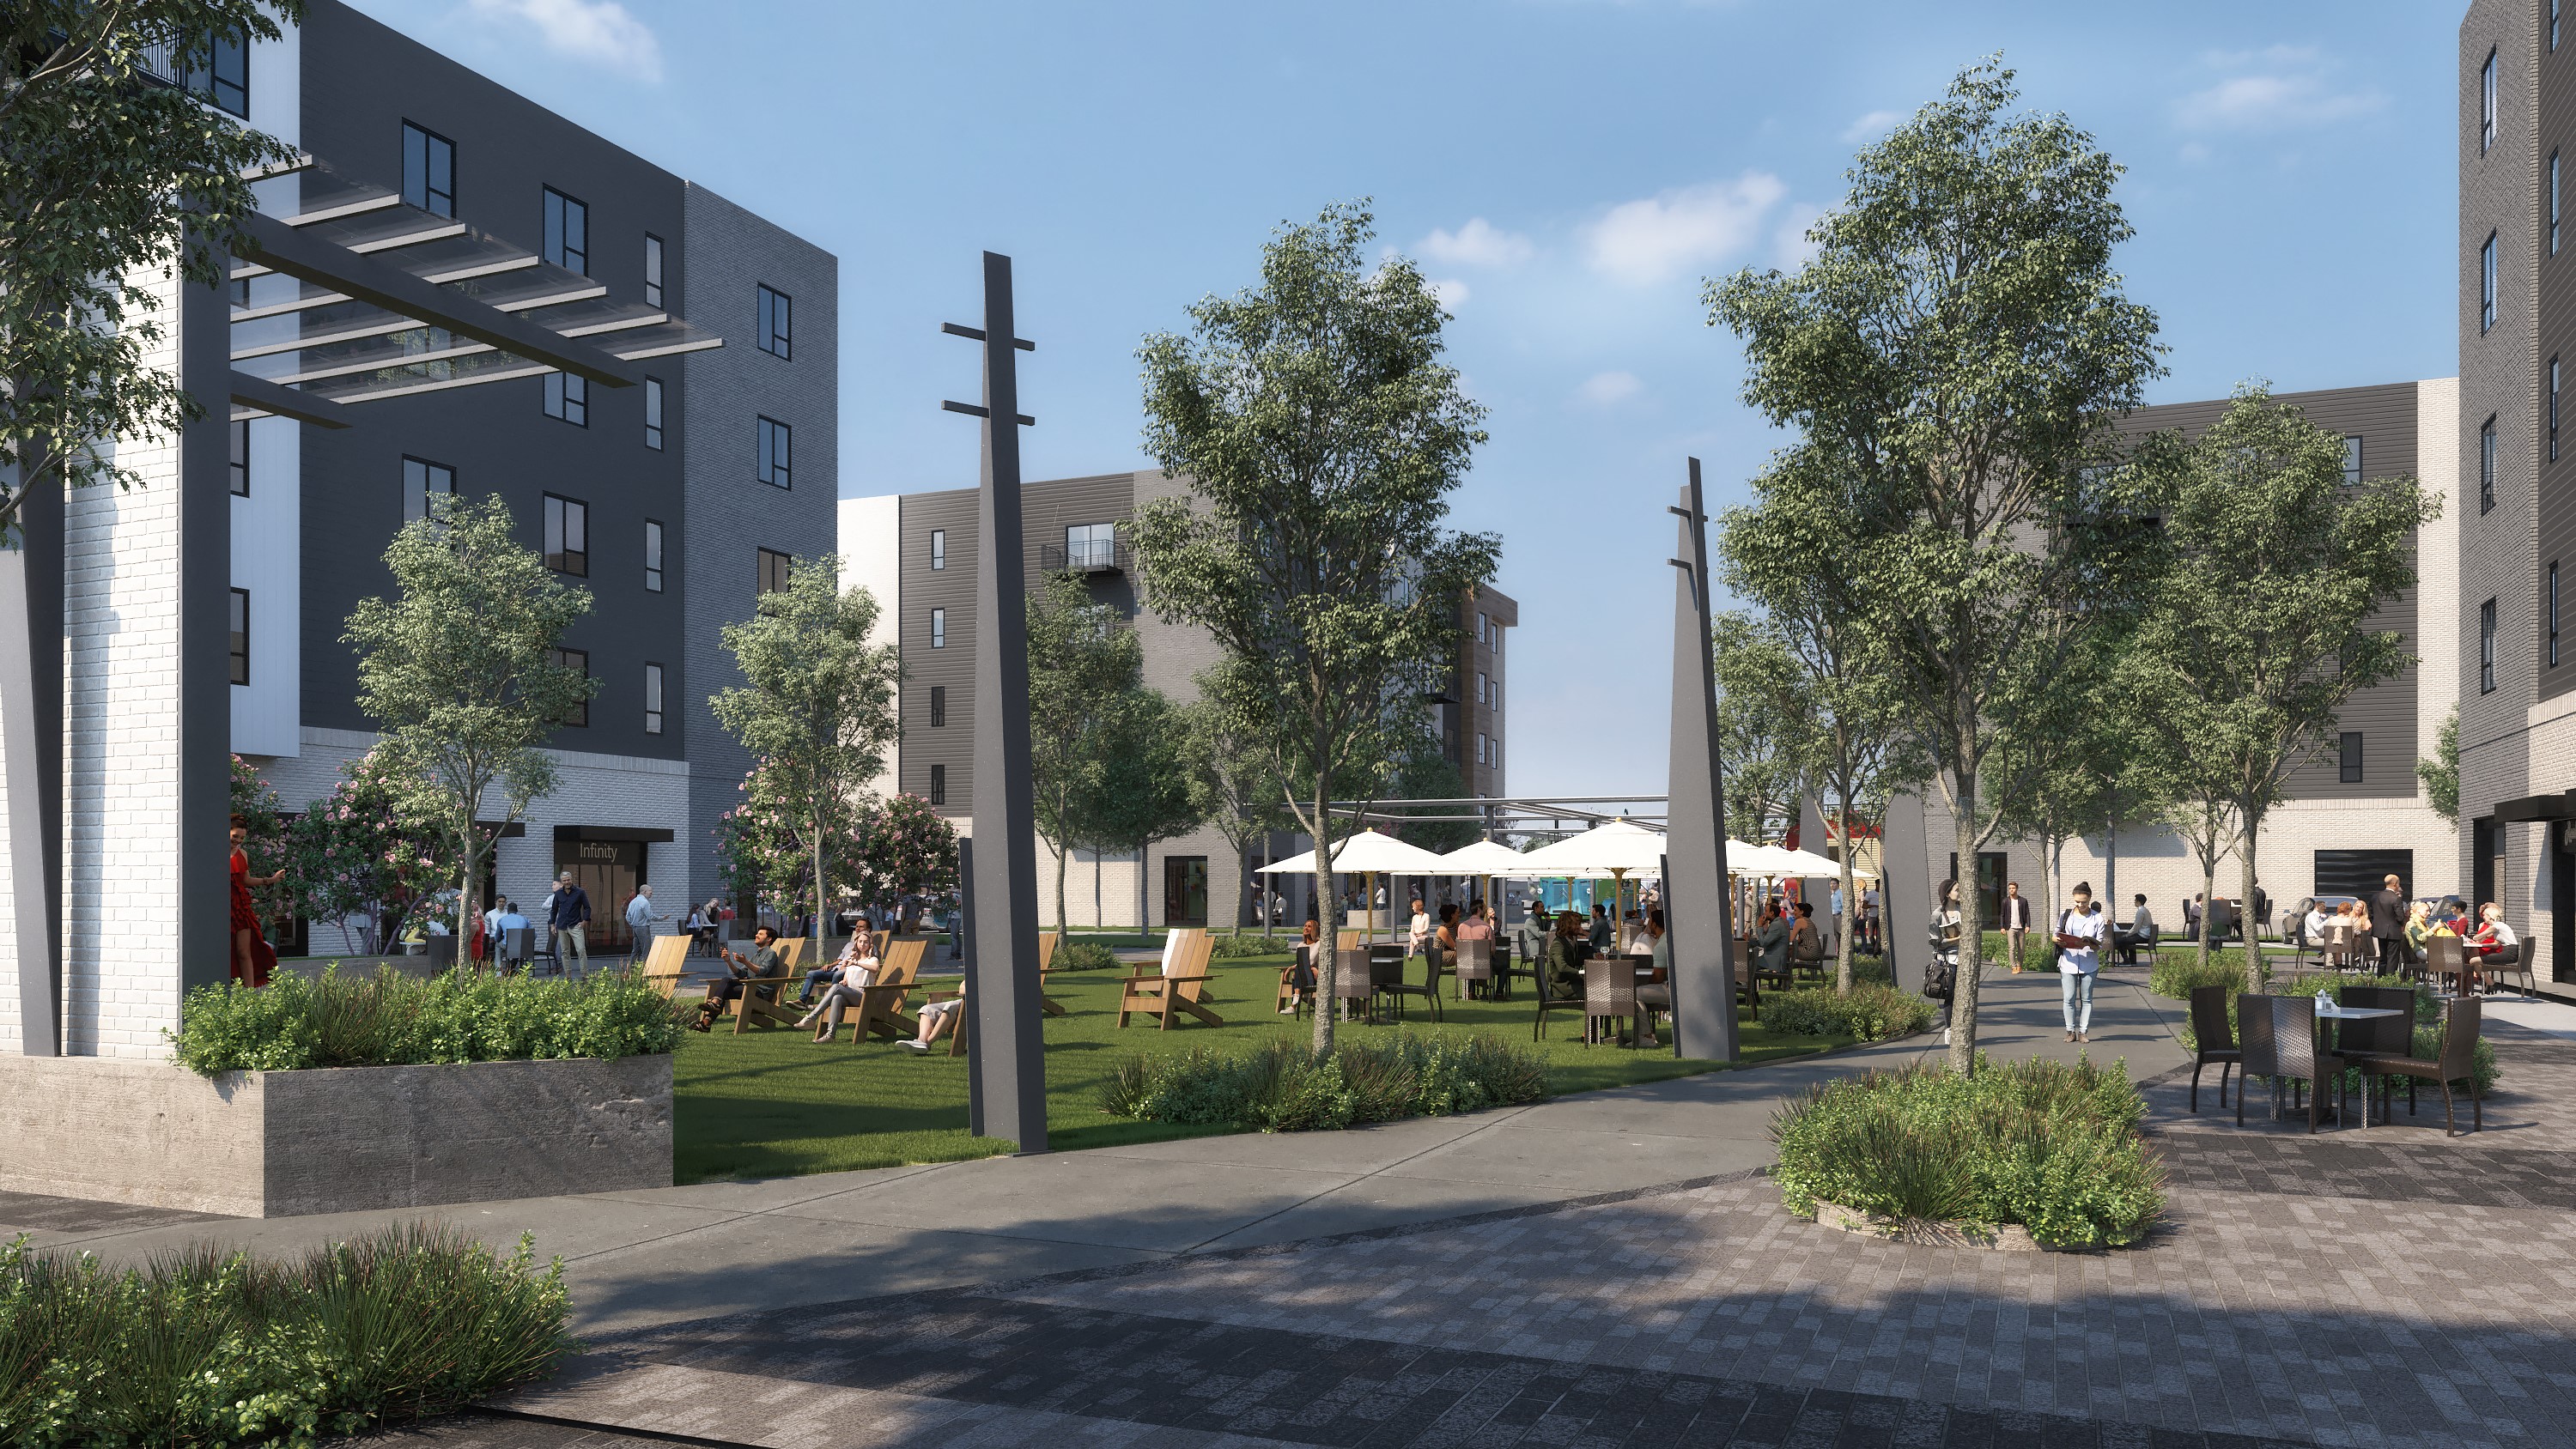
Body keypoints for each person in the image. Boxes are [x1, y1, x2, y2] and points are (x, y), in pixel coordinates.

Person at [228, 814, 283, 988]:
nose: (238, 841)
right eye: (235, 836)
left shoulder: (242, 854)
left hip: (240, 906)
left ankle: (250, 997)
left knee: (244, 951)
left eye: (242, 838)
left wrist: (271, 879)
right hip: (219, 905)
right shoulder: (212, 851)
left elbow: (246, 881)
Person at [797, 930, 883, 1041]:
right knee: (837, 997)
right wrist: (844, 982)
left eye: (866, 942)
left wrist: (857, 963)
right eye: (860, 941)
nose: (862, 944)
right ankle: (830, 1035)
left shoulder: (872, 960)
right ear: (856, 943)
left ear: (870, 944)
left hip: (864, 997)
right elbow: (846, 977)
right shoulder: (851, 960)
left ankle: (812, 1017)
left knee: (836, 987)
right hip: (851, 995)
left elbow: (875, 969)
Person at [694, 926, 783, 1031]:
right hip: (750, 989)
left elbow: (762, 971)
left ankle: (708, 1020)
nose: (756, 935)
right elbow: (741, 974)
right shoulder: (756, 955)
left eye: (761, 934)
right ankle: (709, 1016)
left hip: (761, 993)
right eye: (757, 933)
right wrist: (728, 961)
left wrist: (745, 962)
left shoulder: (770, 954)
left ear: (769, 939)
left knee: (725, 990)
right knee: (726, 981)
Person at [2055, 882, 2108, 1045]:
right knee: (2069, 998)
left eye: (2084, 902)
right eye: (2077, 901)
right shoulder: (2066, 915)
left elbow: (2099, 943)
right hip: (2068, 962)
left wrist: (2088, 944)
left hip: (2088, 963)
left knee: (2087, 999)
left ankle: (2083, 1032)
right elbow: (2055, 934)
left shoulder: (2097, 918)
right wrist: (2059, 941)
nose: (2080, 905)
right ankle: (2070, 1031)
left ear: (2089, 899)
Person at [799, 920, 876, 1005]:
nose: (858, 928)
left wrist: (847, 966)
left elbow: (869, 962)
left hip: (848, 971)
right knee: (811, 974)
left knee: (837, 974)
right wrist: (830, 965)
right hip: (835, 969)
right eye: (857, 926)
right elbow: (840, 960)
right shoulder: (849, 944)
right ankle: (802, 1001)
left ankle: (829, 1002)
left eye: (861, 927)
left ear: (868, 929)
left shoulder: (870, 947)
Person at [897, 977, 968, 1054]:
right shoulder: (976, 972)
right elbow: (962, 988)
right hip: (964, 1000)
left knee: (950, 1006)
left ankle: (927, 1044)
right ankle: (921, 1040)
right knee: (927, 1009)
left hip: (975, 1004)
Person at [545, 871, 592, 976]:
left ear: (571, 880)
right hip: (562, 926)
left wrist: (585, 921)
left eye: (568, 880)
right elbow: (554, 910)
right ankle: (568, 975)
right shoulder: (558, 894)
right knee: (565, 952)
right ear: (561, 882)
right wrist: (552, 924)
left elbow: (587, 907)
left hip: (576, 925)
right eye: (564, 880)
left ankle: (584, 974)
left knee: (581, 950)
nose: (567, 882)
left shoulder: (580, 892)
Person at [1544, 911, 1592, 1002]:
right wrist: (1581, 972)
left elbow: (1574, 960)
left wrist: (1593, 956)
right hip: (1564, 989)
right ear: (1567, 925)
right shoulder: (1558, 944)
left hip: (1573, 985)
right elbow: (1562, 967)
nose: (1579, 927)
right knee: (1598, 995)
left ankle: (1597, 1016)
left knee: (1600, 991)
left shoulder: (1570, 941)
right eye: (1576, 924)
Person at [2369, 872, 2410, 969]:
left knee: (2383, 958)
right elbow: (2400, 917)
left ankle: (2380, 980)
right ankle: (2390, 982)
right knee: (2392, 958)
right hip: (2393, 932)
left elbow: (2370, 914)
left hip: (2379, 931)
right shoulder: (2396, 898)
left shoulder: (2375, 897)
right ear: (2395, 884)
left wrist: (2377, 924)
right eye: (2399, 883)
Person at [1281, 919, 1321, 1013]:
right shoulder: (1301, 945)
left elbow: (1310, 960)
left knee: (1299, 969)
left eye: (1309, 926)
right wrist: (1291, 968)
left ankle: (1294, 1004)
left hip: (1317, 978)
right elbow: (1302, 962)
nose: (1306, 928)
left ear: (1314, 929)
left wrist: (1313, 968)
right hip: (1305, 977)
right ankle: (1296, 996)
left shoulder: (1319, 943)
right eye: (1305, 926)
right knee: (1299, 968)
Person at [624, 884, 664, 966]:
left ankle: (633, 970)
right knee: (646, 950)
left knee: (635, 950)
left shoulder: (633, 902)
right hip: (643, 928)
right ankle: (646, 970)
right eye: (650, 892)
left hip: (635, 928)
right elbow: (650, 916)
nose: (651, 895)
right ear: (645, 892)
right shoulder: (645, 902)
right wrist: (661, 918)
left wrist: (633, 925)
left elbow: (628, 916)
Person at [2116, 894, 2156, 965]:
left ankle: (2126, 961)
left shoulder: (2140, 912)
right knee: (2130, 940)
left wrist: (2127, 934)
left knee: (2120, 940)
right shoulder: (2146, 910)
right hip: (2146, 935)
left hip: (2143, 936)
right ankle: (2132, 961)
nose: (2134, 902)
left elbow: (2136, 927)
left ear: (2138, 901)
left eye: (2135, 900)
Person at [1787, 900, 1826, 975]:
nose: (1793, 912)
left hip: (1810, 952)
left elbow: (1791, 940)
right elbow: (1800, 940)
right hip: (1817, 952)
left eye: (1795, 910)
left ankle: (1784, 977)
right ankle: (1785, 977)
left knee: (1784, 952)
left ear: (1801, 912)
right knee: (1788, 950)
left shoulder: (1799, 921)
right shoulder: (1808, 921)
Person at [2002, 881, 2031, 973]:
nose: (2011, 890)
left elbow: (2027, 914)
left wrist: (2028, 925)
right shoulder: (2005, 901)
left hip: (2021, 927)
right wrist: (2002, 927)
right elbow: (2002, 914)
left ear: (2017, 889)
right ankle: (2013, 967)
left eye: (2013, 888)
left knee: (2021, 949)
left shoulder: (2023, 901)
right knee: (2012, 948)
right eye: (2010, 888)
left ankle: (2019, 965)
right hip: (2010, 928)